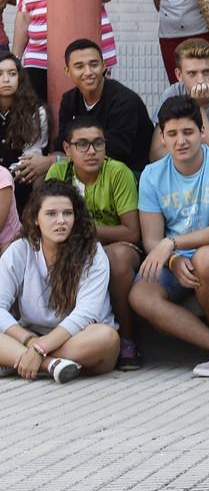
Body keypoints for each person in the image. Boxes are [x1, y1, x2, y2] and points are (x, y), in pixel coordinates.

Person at [128, 96, 209, 372]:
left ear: (202, 132)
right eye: (172, 134)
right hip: (174, 257)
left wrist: (172, 243)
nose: (181, 141)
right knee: (140, 296)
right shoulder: (152, 175)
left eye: (188, 132)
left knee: (207, 258)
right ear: (162, 138)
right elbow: (151, 239)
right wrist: (173, 259)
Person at [44, 115, 142, 370]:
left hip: (117, 246)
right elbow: (47, 219)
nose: (91, 151)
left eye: (98, 143)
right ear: (67, 149)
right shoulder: (58, 171)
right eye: (82, 144)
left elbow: (132, 232)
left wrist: (86, 229)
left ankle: (128, 339)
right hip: (70, 244)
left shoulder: (117, 172)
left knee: (116, 260)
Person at [0, 181, 119, 383]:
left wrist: (40, 348)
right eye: (51, 214)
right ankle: (51, 366)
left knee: (107, 337)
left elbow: (86, 313)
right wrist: (30, 341)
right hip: (32, 337)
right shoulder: (20, 250)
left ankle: (19, 360)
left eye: (67, 213)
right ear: (35, 218)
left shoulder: (92, 251)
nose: (61, 221)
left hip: (80, 338)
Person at [55, 39, 155, 176]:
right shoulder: (69, 100)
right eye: (79, 66)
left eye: (94, 64)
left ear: (104, 66)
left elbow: (115, 150)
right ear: (68, 71)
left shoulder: (124, 101)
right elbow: (62, 141)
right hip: (88, 167)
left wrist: (56, 160)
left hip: (129, 171)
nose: (88, 72)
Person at [0, 51, 51, 210]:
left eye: (12, 73)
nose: (6, 79)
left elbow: (31, 159)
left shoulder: (35, 111)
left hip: (20, 181)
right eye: (0, 74)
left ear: (20, 78)